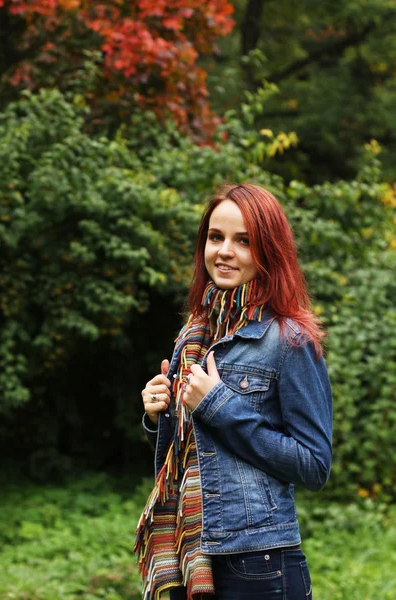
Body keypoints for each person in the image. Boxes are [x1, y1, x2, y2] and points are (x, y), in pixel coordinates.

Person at [134, 183, 332, 600]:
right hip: (192, 554)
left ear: (269, 251)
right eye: (215, 237)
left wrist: (217, 405)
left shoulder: (289, 340)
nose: (224, 251)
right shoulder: (194, 332)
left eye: (244, 241)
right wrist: (159, 415)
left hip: (258, 564)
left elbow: (314, 464)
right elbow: (193, 454)